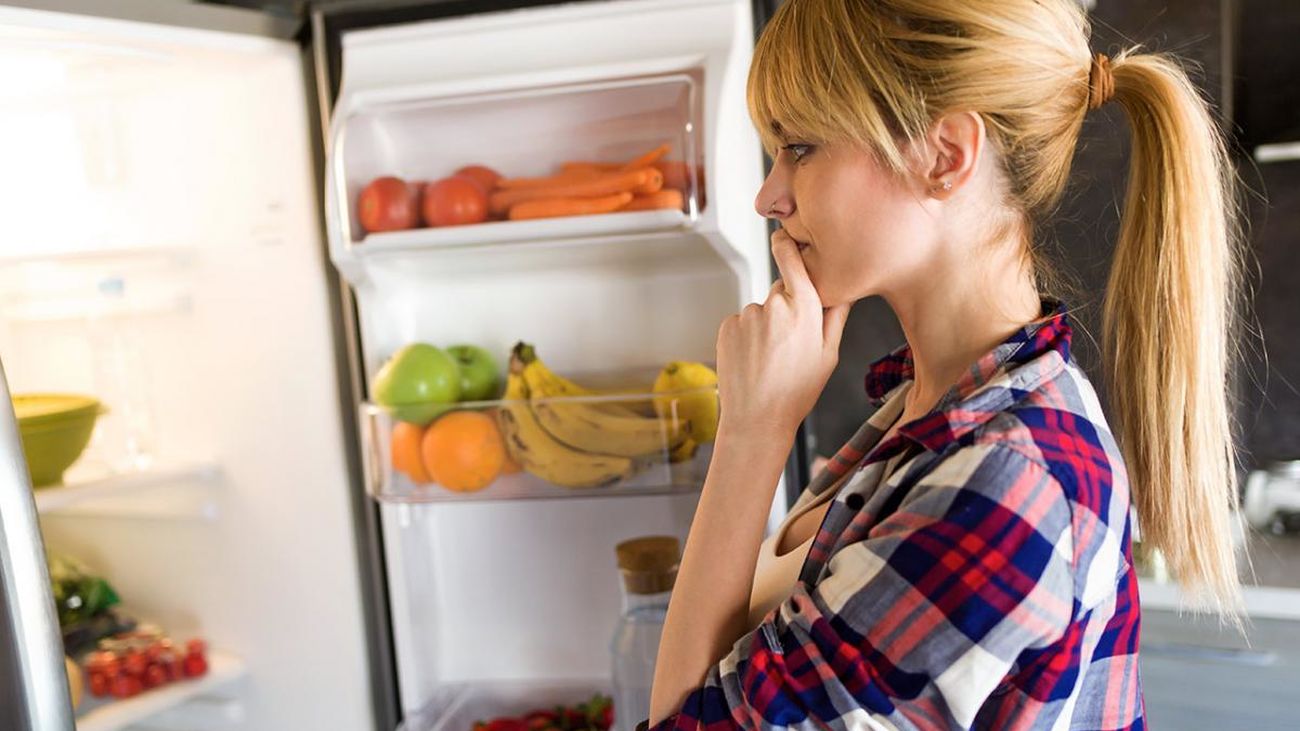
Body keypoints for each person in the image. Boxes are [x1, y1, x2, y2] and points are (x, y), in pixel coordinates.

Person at [646, 1, 1245, 729]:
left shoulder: (1008, 480)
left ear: (945, 156)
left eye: (799, 147)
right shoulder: (925, 407)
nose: (769, 197)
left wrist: (751, 434)